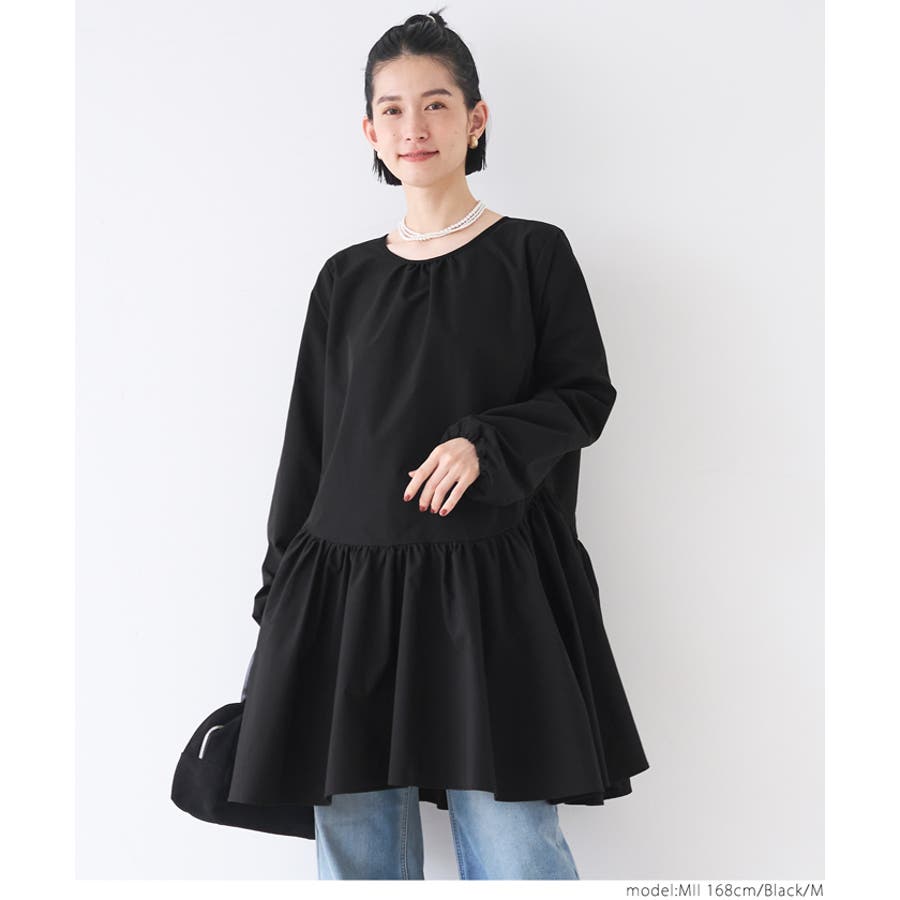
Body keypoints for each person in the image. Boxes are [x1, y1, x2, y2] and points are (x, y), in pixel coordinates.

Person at [226, 9, 650, 880]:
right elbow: (309, 444)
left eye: (436, 104)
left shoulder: (533, 254)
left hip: (487, 589)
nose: (413, 127)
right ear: (370, 131)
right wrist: (278, 595)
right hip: (344, 594)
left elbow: (584, 395)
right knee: (358, 858)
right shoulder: (345, 278)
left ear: (475, 118)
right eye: (391, 109)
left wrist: (484, 444)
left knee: (516, 850)